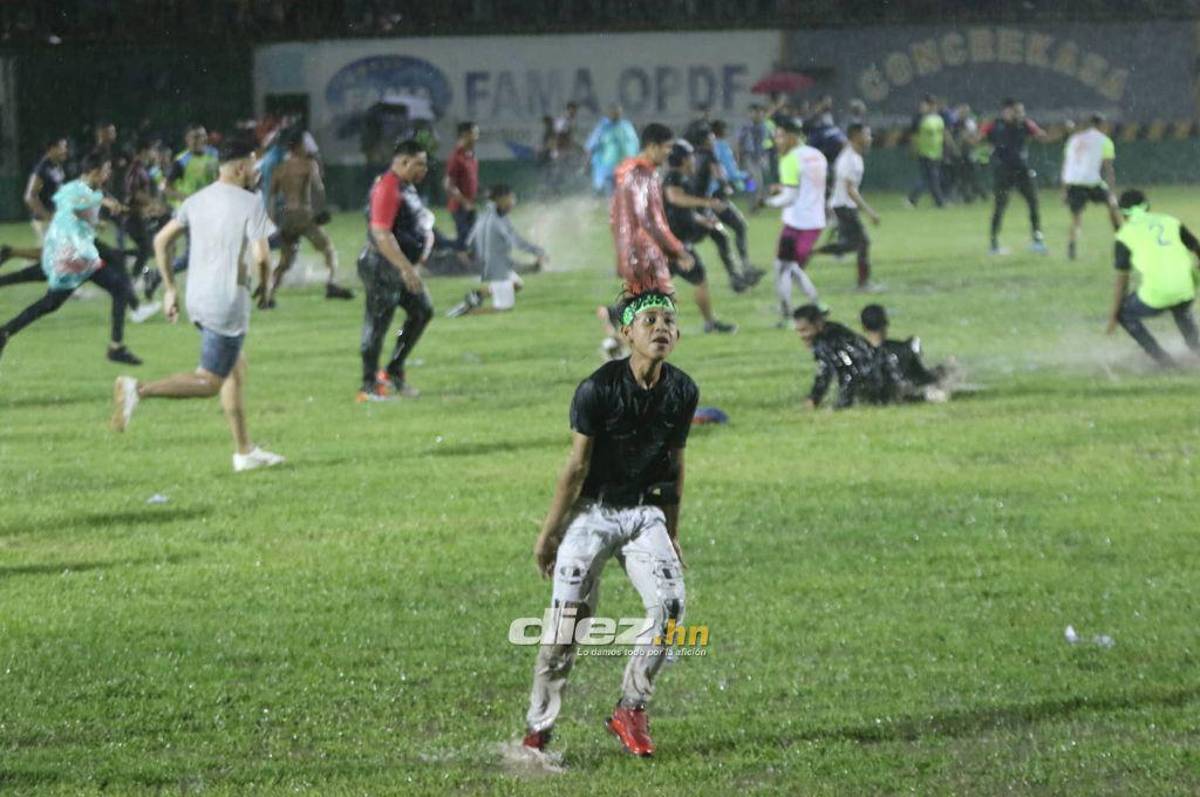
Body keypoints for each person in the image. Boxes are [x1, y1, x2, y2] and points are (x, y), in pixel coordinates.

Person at [522, 290, 698, 759]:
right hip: (592, 513)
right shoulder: (597, 389)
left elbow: (675, 465)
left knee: (671, 607)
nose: (661, 327)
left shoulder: (683, 389)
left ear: (676, 335)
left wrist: (673, 531)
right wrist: (549, 533)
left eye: (668, 321)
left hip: (644, 513)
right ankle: (538, 730)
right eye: (650, 321)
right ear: (627, 334)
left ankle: (631, 708)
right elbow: (575, 468)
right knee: (566, 627)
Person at [109, 137, 284, 473]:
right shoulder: (250, 203)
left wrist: (170, 290)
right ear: (238, 167)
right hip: (227, 301)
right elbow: (262, 256)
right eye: (252, 165)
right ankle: (139, 389)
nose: (255, 171)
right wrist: (266, 288)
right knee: (210, 381)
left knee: (235, 368)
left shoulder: (196, 200)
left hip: (197, 297)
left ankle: (244, 451)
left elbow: (162, 241)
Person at [0, 151, 143, 366]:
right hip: (72, 257)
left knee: (50, 291)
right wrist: (104, 203)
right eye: (105, 170)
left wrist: (100, 218)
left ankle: (118, 342)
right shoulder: (74, 189)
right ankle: (117, 345)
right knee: (50, 300)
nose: (108, 174)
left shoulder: (92, 189)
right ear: (94, 172)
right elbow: (72, 206)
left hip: (77, 252)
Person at [356, 139, 435, 401]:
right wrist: (405, 268)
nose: (424, 169)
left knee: (422, 311)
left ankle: (392, 371)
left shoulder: (407, 187)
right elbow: (381, 233)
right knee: (377, 323)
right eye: (419, 164)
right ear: (402, 162)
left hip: (398, 266)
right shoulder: (388, 186)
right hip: (382, 265)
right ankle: (368, 386)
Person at [1105, 190, 1200, 367]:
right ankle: (1197, 350)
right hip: (1186, 287)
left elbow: (1122, 281)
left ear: (1123, 213)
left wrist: (1113, 316)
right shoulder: (1170, 221)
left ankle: (1163, 360)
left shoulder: (1124, 236)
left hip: (1158, 294)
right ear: (1147, 206)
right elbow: (1197, 247)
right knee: (1181, 309)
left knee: (1124, 313)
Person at [263, 129, 353, 306]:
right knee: (328, 248)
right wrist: (321, 210)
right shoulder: (308, 165)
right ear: (298, 146)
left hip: (287, 216)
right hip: (304, 215)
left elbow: (271, 196)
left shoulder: (279, 169)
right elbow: (318, 188)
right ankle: (331, 283)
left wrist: (272, 219)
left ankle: (269, 295)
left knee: (285, 260)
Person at [658, 140, 737, 331]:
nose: (694, 161)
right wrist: (708, 202)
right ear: (684, 159)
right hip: (673, 244)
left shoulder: (681, 179)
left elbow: (682, 210)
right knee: (698, 278)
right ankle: (710, 323)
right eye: (691, 156)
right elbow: (675, 199)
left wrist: (703, 221)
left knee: (653, 287)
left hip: (674, 243)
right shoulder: (674, 177)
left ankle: (617, 314)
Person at [610, 123, 695, 296]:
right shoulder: (641, 176)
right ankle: (611, 318)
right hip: (645, 256)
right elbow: (650, 221)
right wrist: (678, 250)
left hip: (633, 254)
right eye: (667, 147)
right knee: (661, 309)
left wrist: (623, 253)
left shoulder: (629, 173)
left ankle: (612, 318)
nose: (670, 152)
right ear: (652, 147)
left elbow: (614, 219)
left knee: (642, 312)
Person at [446, 184, 546, 316]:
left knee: (516, 284)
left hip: (494, 262)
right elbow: (516, 241)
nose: (513, 202)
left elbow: (473, 236)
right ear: (501, 199)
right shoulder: (496, 220)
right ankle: (464, 312)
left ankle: (477, 295)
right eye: (511, 199)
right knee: (503, 309)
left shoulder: (491, 213)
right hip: (496, 267)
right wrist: (538, 251)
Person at [145, 125, 220, 299]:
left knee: (204, 252)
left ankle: (155, 275)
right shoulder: (181, 161)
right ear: (187, 140)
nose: (200, 140)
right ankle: (206, 291)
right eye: (195, 137)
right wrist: (188, 198)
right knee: (196, 253)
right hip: (189, 213)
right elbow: (166, 188)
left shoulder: (214, 155)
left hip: (209, 211)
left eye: (202, 136)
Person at [768, 116, 827, 325]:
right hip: (815, 222)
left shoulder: (789, 159)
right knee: (790, 267)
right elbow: (807, 187)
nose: (777, 140)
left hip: (796, 222)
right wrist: (782, 188)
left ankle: (788, 315)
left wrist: (768, 202)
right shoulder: (817, 155)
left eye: (780, 136)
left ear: (792, 136)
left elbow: (791, 197)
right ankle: (817, 304)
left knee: (784, 268)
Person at [688, 125, 763, 291]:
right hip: (711, 203)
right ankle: (743, 269)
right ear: (706, 141)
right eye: (711, 139)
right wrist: (726, 187)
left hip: (695, 205)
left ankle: (737, 277)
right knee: (736, 228)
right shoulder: (709, 155)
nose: (714, 141)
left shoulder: (691, 156)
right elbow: (720, 175)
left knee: (720, 238)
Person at [815, 123, 881, 292]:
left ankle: (811, 252)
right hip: (844, 206)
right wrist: (869, 211)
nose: (869, 138)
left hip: (843, 205)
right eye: (866, 135)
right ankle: (863, 283)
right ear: (856, 136)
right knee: (863, 243)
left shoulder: (852, 156)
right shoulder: (850, 159)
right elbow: (850, 189)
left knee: (851, 245)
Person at [982, 98, 1049, 255]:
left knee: (1033, 203)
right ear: (1006, 111)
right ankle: (993, 244)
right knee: (1000, 207)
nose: (1020, 114)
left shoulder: (1025, 124)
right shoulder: (993, 125)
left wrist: (1060, 132)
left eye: (1021, 111)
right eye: (1017, 111)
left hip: (1022, 170)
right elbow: (978, 138)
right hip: (1002, 171)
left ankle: (1038, 240)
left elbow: (1042, 136)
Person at [792, 304, 882, 410]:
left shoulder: (828, 341)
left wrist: (841, 405)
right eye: (798, 331)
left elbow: (849, 372)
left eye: (805, 330)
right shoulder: (832, 333)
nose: (801, 336)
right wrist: (815, 398)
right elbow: (827, 372)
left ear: (818, 323)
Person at [860, 304, 951, 403]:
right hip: (906, 395)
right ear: (886, 323)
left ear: (864, 327)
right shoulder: (902, 349)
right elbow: (924, 378)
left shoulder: (858, 354)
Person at [1062, 113, 1119, 260]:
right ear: (1101, 125)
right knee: (1112, 207)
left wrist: (1064, 190)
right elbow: (1108, 168)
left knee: (1076, 217)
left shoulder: (1074, 139)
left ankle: (1071, 248)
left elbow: (1067, 165)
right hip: (1092, 182)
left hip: (1073, 182)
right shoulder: (1104, 141)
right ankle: (1120, 239)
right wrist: (1112, 192)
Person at [585, 104, 639, 196]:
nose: (616, 114)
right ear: (609, 113)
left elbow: (634, 144)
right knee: (610, 193)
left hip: (624, 167)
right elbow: (592, 146)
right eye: (614, 112)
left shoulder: (626, 126)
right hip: (606, 168)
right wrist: (587, 163)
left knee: (624, 193)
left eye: (618, 112)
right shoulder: (603, 127)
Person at [24, 136, 69, 243]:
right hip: (44, 220)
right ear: (52, 149)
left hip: (56, 217)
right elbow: (29, 196)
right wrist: (48, 217)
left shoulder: (57, 166)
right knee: (50, 253)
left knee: (53, 252)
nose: (65, 150)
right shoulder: (42, 168)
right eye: (62, 147)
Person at [444, 121, 480, 251]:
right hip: (459, 207)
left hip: (470, 205)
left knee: (475, 238)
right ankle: (441, 252)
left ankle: (472, 263)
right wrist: (464, 202)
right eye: (475, 133)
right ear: (465, 135)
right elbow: (448, 185)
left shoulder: (470, 155)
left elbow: (471, 182)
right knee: (464, 240)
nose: (477, 137)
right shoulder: (456, 157)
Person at [905, 96, 945, 208]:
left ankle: (913, 199)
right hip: (925, 153)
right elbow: (914, 136)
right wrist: (913, 149)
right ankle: (939, 202)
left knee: (929, 179)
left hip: (936, 153)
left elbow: (942, 135)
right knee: (930, 178)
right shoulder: (919, 119)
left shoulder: (938, 119)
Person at [736, 104, 771, 211]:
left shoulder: (764, 126)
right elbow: (738, 142)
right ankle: (752, 204)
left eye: (760, 113)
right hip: (749, 157)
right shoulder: (746, 127)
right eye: (756, 113)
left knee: (760, 183)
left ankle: (756, 202)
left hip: (760, 157)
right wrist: (738, 157)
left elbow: (766, 142)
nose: (758, 115)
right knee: (753, 182)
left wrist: (765, 156)